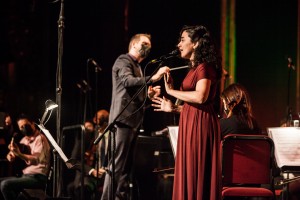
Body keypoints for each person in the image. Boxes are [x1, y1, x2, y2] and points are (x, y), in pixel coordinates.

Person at [151, 25, 223, 200]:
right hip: (190, 122)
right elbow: (194, 107)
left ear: (196, 43)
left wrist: (171, 91)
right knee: (189, 171)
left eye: (183, 40)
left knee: (197, 171)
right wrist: (174, 107)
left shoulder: (205, 67)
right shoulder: (194, 69)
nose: (179, 44)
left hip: (201, 126)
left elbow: (200, 98)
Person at [101, 33, 169, 200]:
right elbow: (127, 81)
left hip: (133, 122)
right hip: (122, 121)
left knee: (126, 168)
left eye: (149, 46)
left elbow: (135, 97)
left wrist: (148, 96)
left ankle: (119, 197)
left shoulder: (137, 67)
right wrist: (153, 78)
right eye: (144, 44)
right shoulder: (124, 60)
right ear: (133, 44)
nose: (148, 48)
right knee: (117, 166)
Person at [0, 113, 51, 200]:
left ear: (32, 123)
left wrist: (19, 154)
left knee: (5, 184)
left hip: (38, 177)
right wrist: (11, 155)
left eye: (26, 125)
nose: (24, 128)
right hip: (25, 176)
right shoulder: (24, 140)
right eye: (21, 127)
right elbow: (14, 154)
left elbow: (36, 160)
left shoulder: (40, 138)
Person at [67, 110, 109, 200]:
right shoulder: (88, 136)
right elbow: (72, 160)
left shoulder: (111, 134)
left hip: (108, 173)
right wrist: (92, 171)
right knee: (79, 189)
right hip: (92, 175)